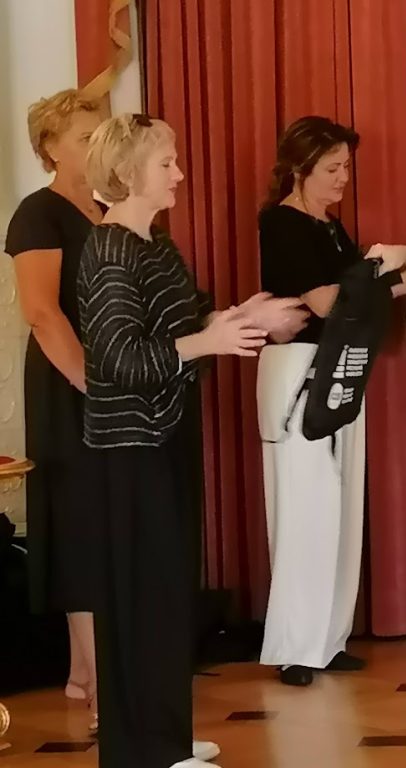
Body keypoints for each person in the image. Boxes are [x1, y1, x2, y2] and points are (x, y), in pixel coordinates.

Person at [78, 112, 303, 768]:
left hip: (166, 435)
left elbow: (186, 323)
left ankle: (166, 737)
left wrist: (242, 317)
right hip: (129, 448)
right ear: (127, 172)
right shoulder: (110, 251)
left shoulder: (154, 243)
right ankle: (145, 749)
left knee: (168, 594)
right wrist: (211, 339)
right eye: (166, 162)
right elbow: (119, 359)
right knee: (143, 600)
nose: (179, 173)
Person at [257, 115, 406, 687]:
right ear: (300, 169)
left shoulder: (331, 227)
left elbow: (353, 295)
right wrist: (390, 272)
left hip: (341, 364)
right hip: (300, 370)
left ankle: (328, 638)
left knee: (341, 504)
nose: (344, 177)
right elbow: (327, 302)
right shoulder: (282, 222)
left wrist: (399, 277)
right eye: (332, 168)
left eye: (347, 166)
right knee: (305, 504)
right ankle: (297, 646)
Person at [5, 89, 103, 730]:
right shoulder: (37, 213)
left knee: (99, 522)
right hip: (70, 383)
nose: (98, 147)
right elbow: (43, 312)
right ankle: (99, 682)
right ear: (50, 148)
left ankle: (83, 672)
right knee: (80, 524)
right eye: (85, 138)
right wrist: (92, 384)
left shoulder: (108, 208)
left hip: (109, 383)